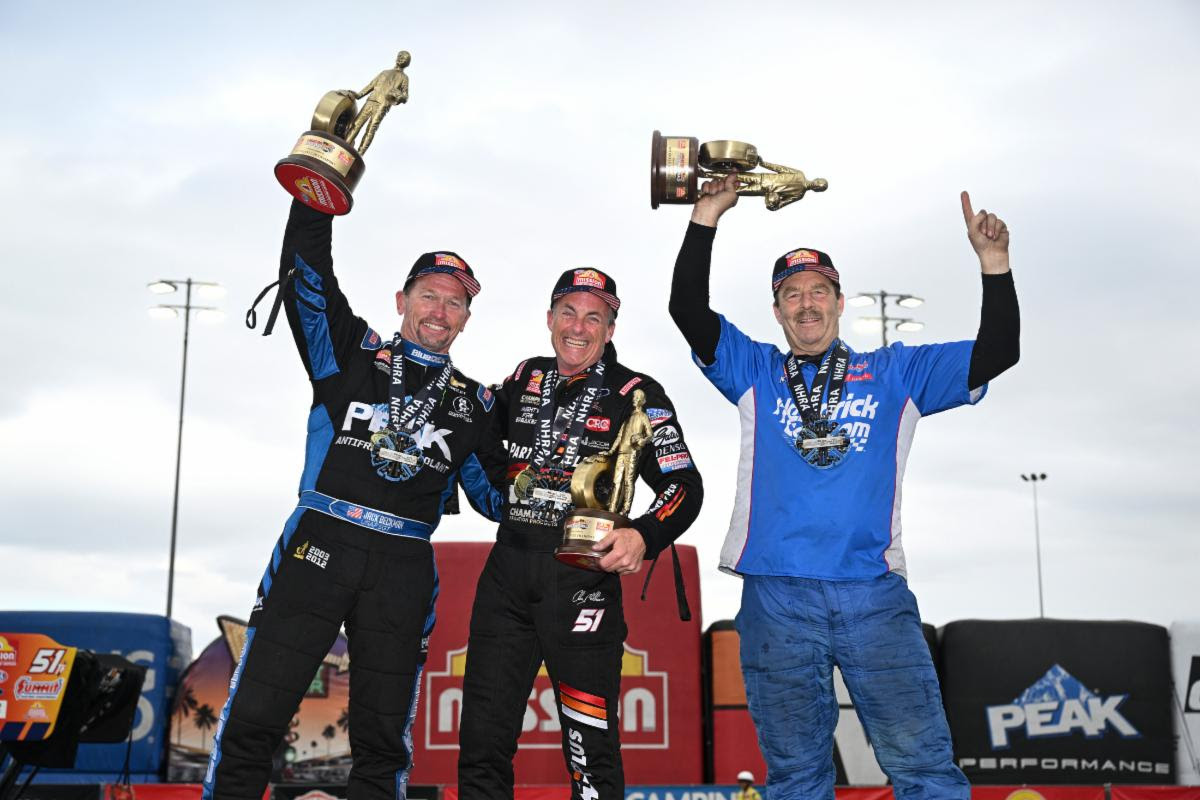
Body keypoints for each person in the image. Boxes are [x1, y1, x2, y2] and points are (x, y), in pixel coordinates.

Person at [668, 175, 1019, 799]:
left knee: (924, 768)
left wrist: (995, 265)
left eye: (818, 291)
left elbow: (997, 353)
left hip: (872, 594)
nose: (806, 304)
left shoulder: (896, 372)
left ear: (839, 301)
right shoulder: (755, 370)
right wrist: (706, 217)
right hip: (776, 593)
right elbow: (688, 312)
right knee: (797, 776)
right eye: (792, 294)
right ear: (777, 311)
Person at [202, 198, 505, 800]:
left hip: (403, 564)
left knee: (383, 740)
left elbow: (497, 500)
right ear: (401, 301)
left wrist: (571, 490)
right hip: (321, 540)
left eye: (455, 302)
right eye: (429, 295)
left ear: (467, 318)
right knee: (257, 711)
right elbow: (307, 278)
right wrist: (314, 196)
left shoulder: (476, 404)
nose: (439, 311)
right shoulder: (349, 353)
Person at [457, 268, 705, 799]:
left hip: (582, 582)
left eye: (594, 317)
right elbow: (474, 434)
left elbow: (684, 485)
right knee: (481, 744)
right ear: (550, 319)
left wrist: (644, 535)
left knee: (589, 753)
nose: (578, 327)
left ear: (610, 330)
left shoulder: (637, 394)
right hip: (508, 574)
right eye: (568, 312)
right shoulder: (526, 377)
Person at [341, 50, 410, 154]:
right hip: (371, 100)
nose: (400, 58)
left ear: (407, 63)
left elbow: (405, 96)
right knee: (356, 124)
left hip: (382, 105)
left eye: (403, 58)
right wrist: (359, 95)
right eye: (399, 56)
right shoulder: (385, 72)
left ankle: (359, 154)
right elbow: (371, 85)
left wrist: (400, 97)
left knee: (371, 129)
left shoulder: (404, 78)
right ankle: (343, 146)